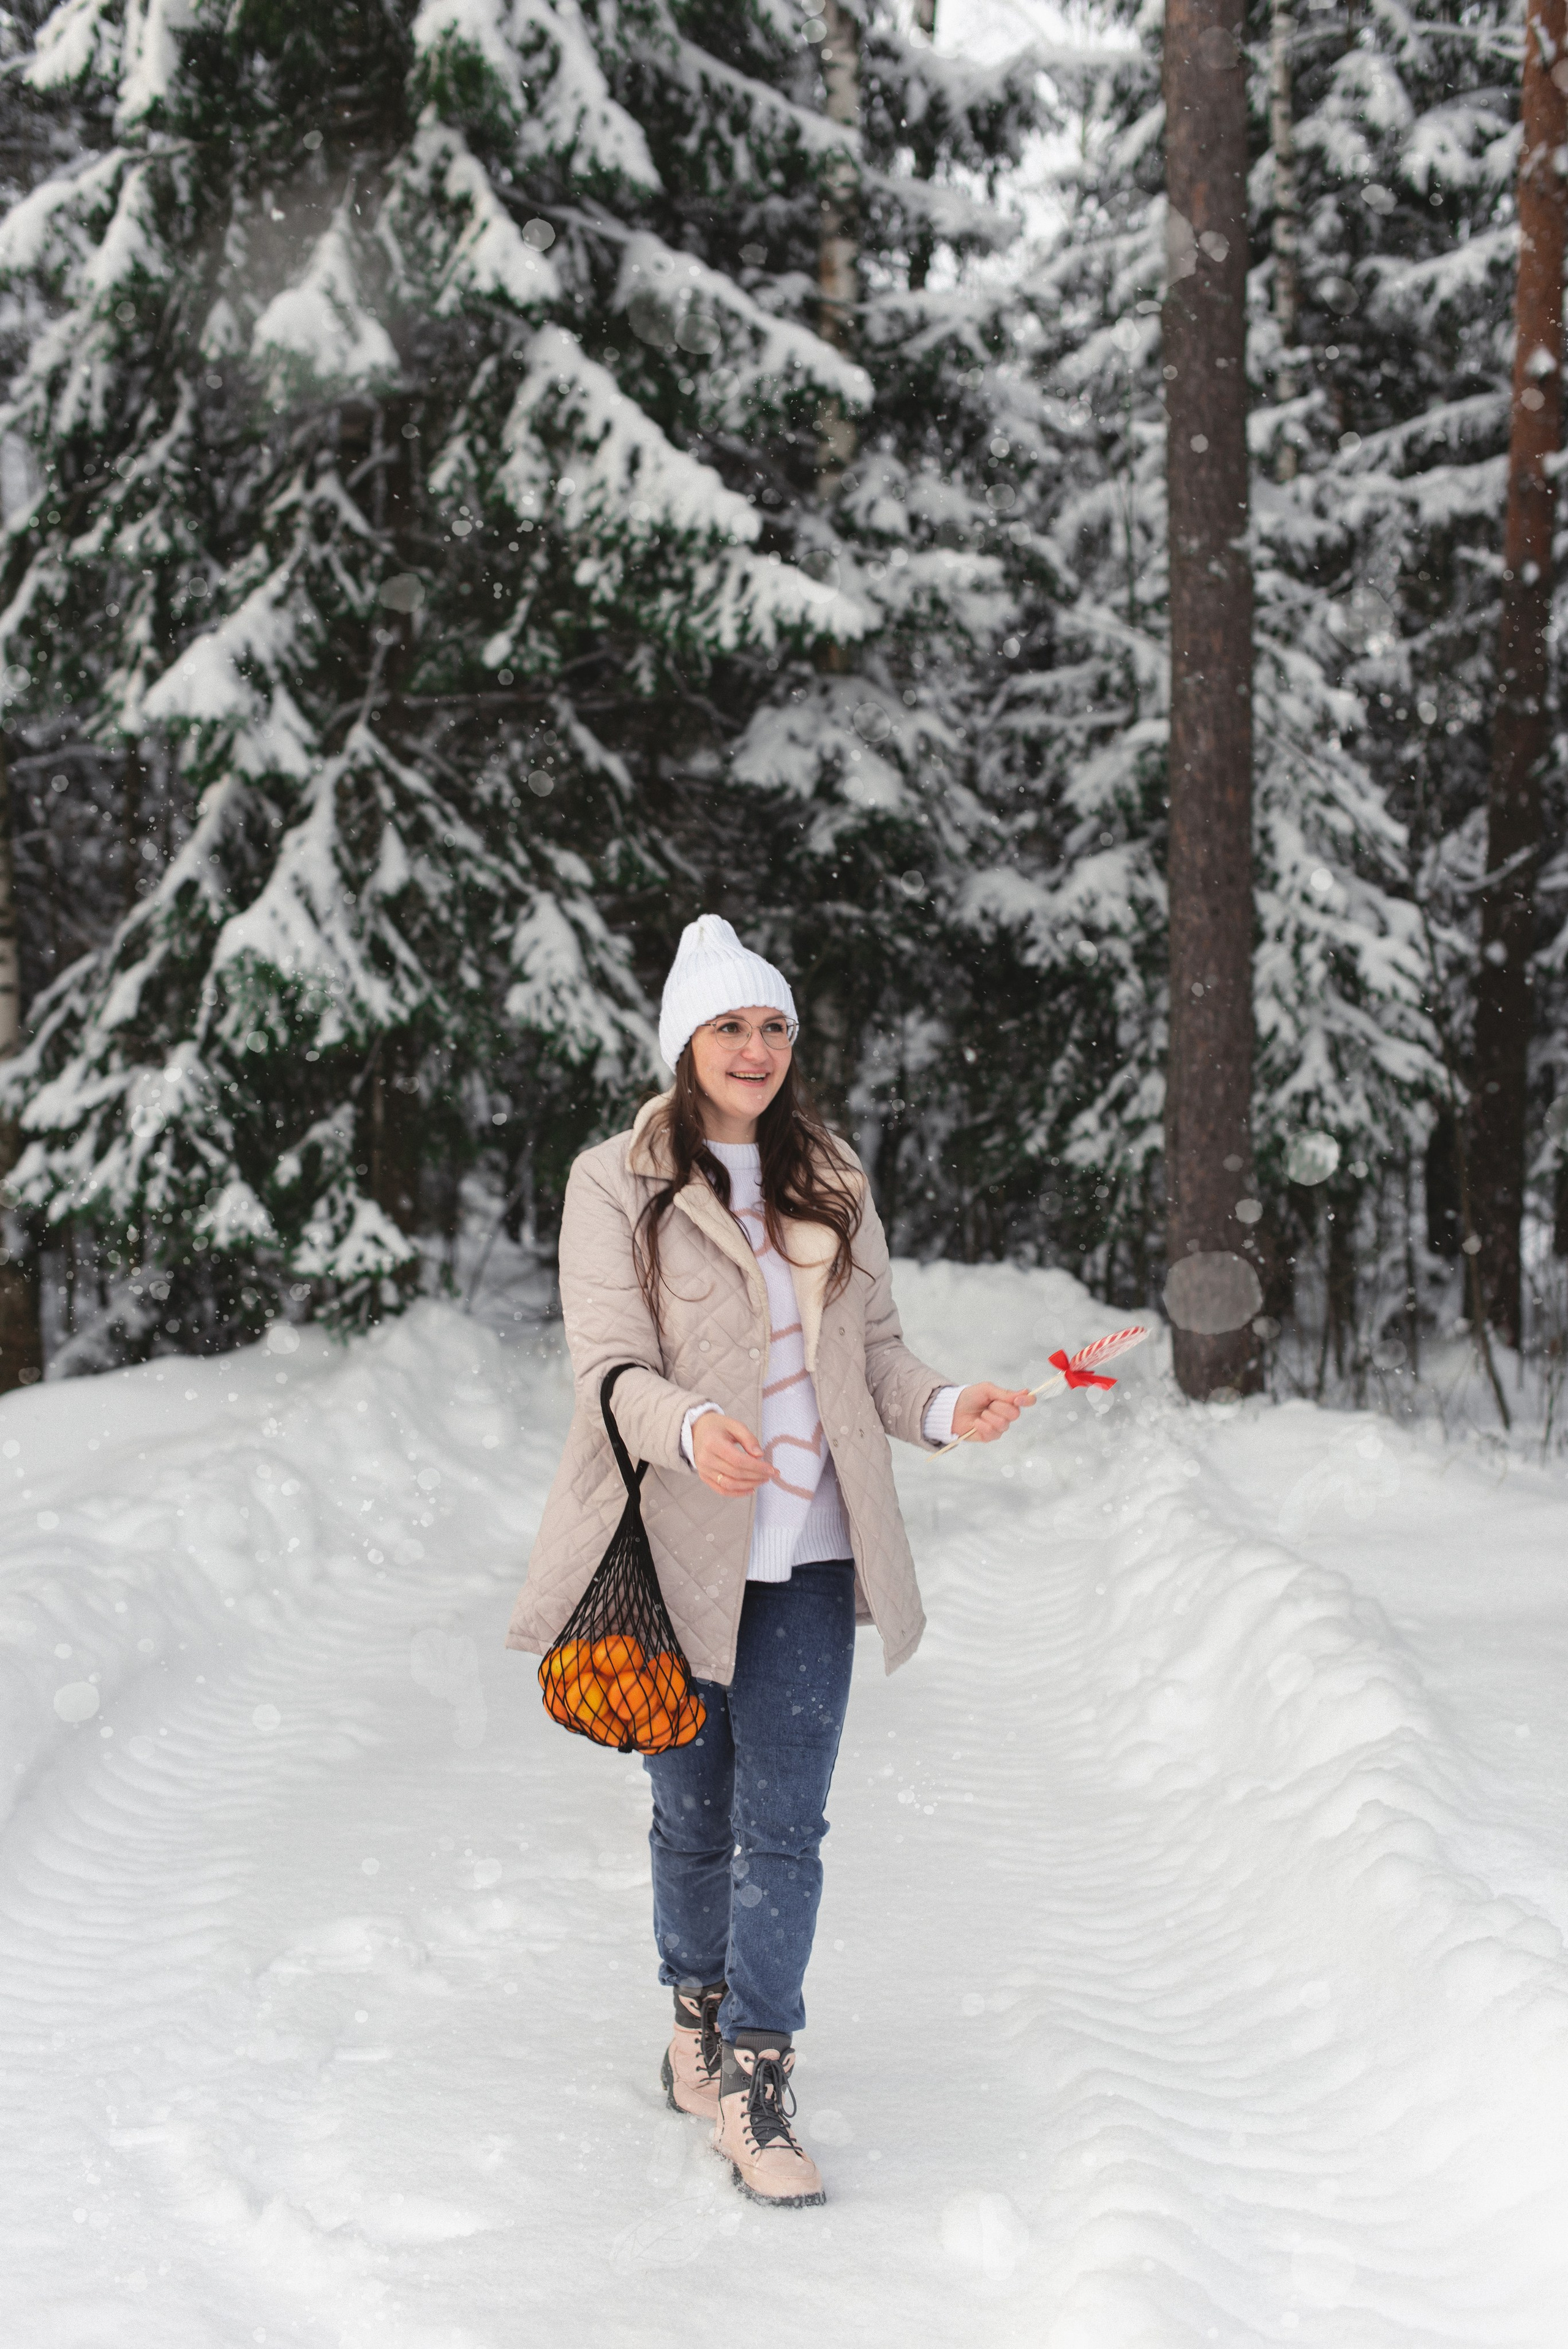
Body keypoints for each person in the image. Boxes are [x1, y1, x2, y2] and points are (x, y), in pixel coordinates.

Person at [506, 915, 1031, 2208]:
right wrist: (689, 1428)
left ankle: (757, 2069)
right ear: (685, 1042)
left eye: (773, 1025)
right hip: (680, 1548)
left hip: (810, 1550)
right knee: (693, 1812)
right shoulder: (612, 1181)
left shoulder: (831, 1173)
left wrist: (940, 1404)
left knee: (784, 1823)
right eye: (731, 1026)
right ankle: (693, 2007)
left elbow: (878, 1355)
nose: (756, 1048)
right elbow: (608, 1370)